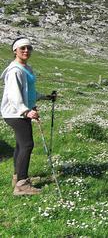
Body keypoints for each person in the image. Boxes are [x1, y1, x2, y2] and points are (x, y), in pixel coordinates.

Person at [1, 37, 54, 195]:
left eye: (28, 48)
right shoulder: (15, 71)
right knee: (27, 145)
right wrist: (27, 111)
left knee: (20, 144)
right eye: (22, 48)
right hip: (15, 113)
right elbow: (14, 96)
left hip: (20, 112)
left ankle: (18, 177)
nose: (26, 51)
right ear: (15, 50)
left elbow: (29, 92)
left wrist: (45, 97)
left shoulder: (26, 68)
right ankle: (22, 185)